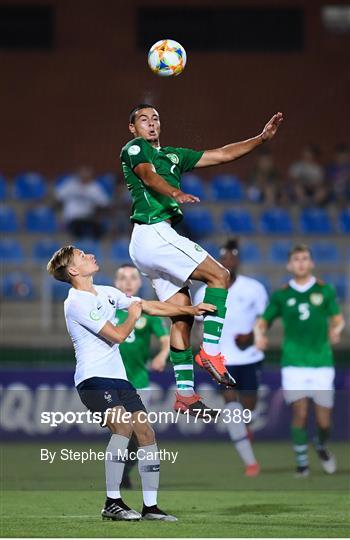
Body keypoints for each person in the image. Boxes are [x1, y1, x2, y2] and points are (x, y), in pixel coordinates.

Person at [120, 103, 283, 415]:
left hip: (149, 243)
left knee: (182, 316)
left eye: (156, 117)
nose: (151, 123)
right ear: (132, 128)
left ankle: (184, 394)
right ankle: (211, 351)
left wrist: (261, 138)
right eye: (144, 119)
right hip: (153, 232)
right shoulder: (135, 148)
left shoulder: (174, 155)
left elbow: (221, 154)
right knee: (220, 276)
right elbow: (148, 177)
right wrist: (174, 193)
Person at [46, 245, 214, 521]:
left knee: (145, 433)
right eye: (81, 256)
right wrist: (134, 316)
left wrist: (191, 309)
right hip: (92, 378)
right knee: (123, 426)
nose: (90, 255)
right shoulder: (76, 302)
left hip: (119, 379)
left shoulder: (106, 293)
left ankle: (151, 507)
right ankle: (112, 502)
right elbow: (117, 335)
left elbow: (147, 305)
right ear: (74, 270)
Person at [255, 245, 345, 477]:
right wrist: (259, 335)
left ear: (312, 263)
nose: (301, 263)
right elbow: (263, 321)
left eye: (305, 259)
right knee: (300, 414)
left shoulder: (325, 291)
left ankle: (322, 444)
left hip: (321, 362)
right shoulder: (282, 295)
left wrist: (337, 329)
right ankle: (302, 464)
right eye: (296, 259)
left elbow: (338, 319)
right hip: (293, 363)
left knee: (324, 421)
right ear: (289, 265)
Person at [194, 239, 268, 477]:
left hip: (249, 358)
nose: (228, 262)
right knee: (233, 407)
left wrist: (252, 335)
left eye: (232, 258)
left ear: (238, 261)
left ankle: (246, 432)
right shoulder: (204, 291)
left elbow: (262, 320)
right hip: (221, 360)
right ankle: (251, 462)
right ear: (217, 261)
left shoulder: (254, 288)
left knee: (248, 412)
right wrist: (203, 349)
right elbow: (197, 324)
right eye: (223, 258)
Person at [114, 263, 170, 488]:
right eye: (122, 277)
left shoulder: (147, 310)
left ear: (139, 282)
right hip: (113, 383)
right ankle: (116, 477)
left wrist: (162, 355)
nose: (127, 281)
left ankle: (125, 471)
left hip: (139, 383)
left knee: (139, 435)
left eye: (132, 277)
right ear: (116, 283)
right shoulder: (107, 309)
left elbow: (166, 341)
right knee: (120, 432)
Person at [55, 166, 110, 239]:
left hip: (88, 217)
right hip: (71, 218)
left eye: (87, 173)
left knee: (97, 228)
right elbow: (57, 197)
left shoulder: (95, 187)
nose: (84, 175)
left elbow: (104, 203)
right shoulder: (70, 184)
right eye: (82, 173)